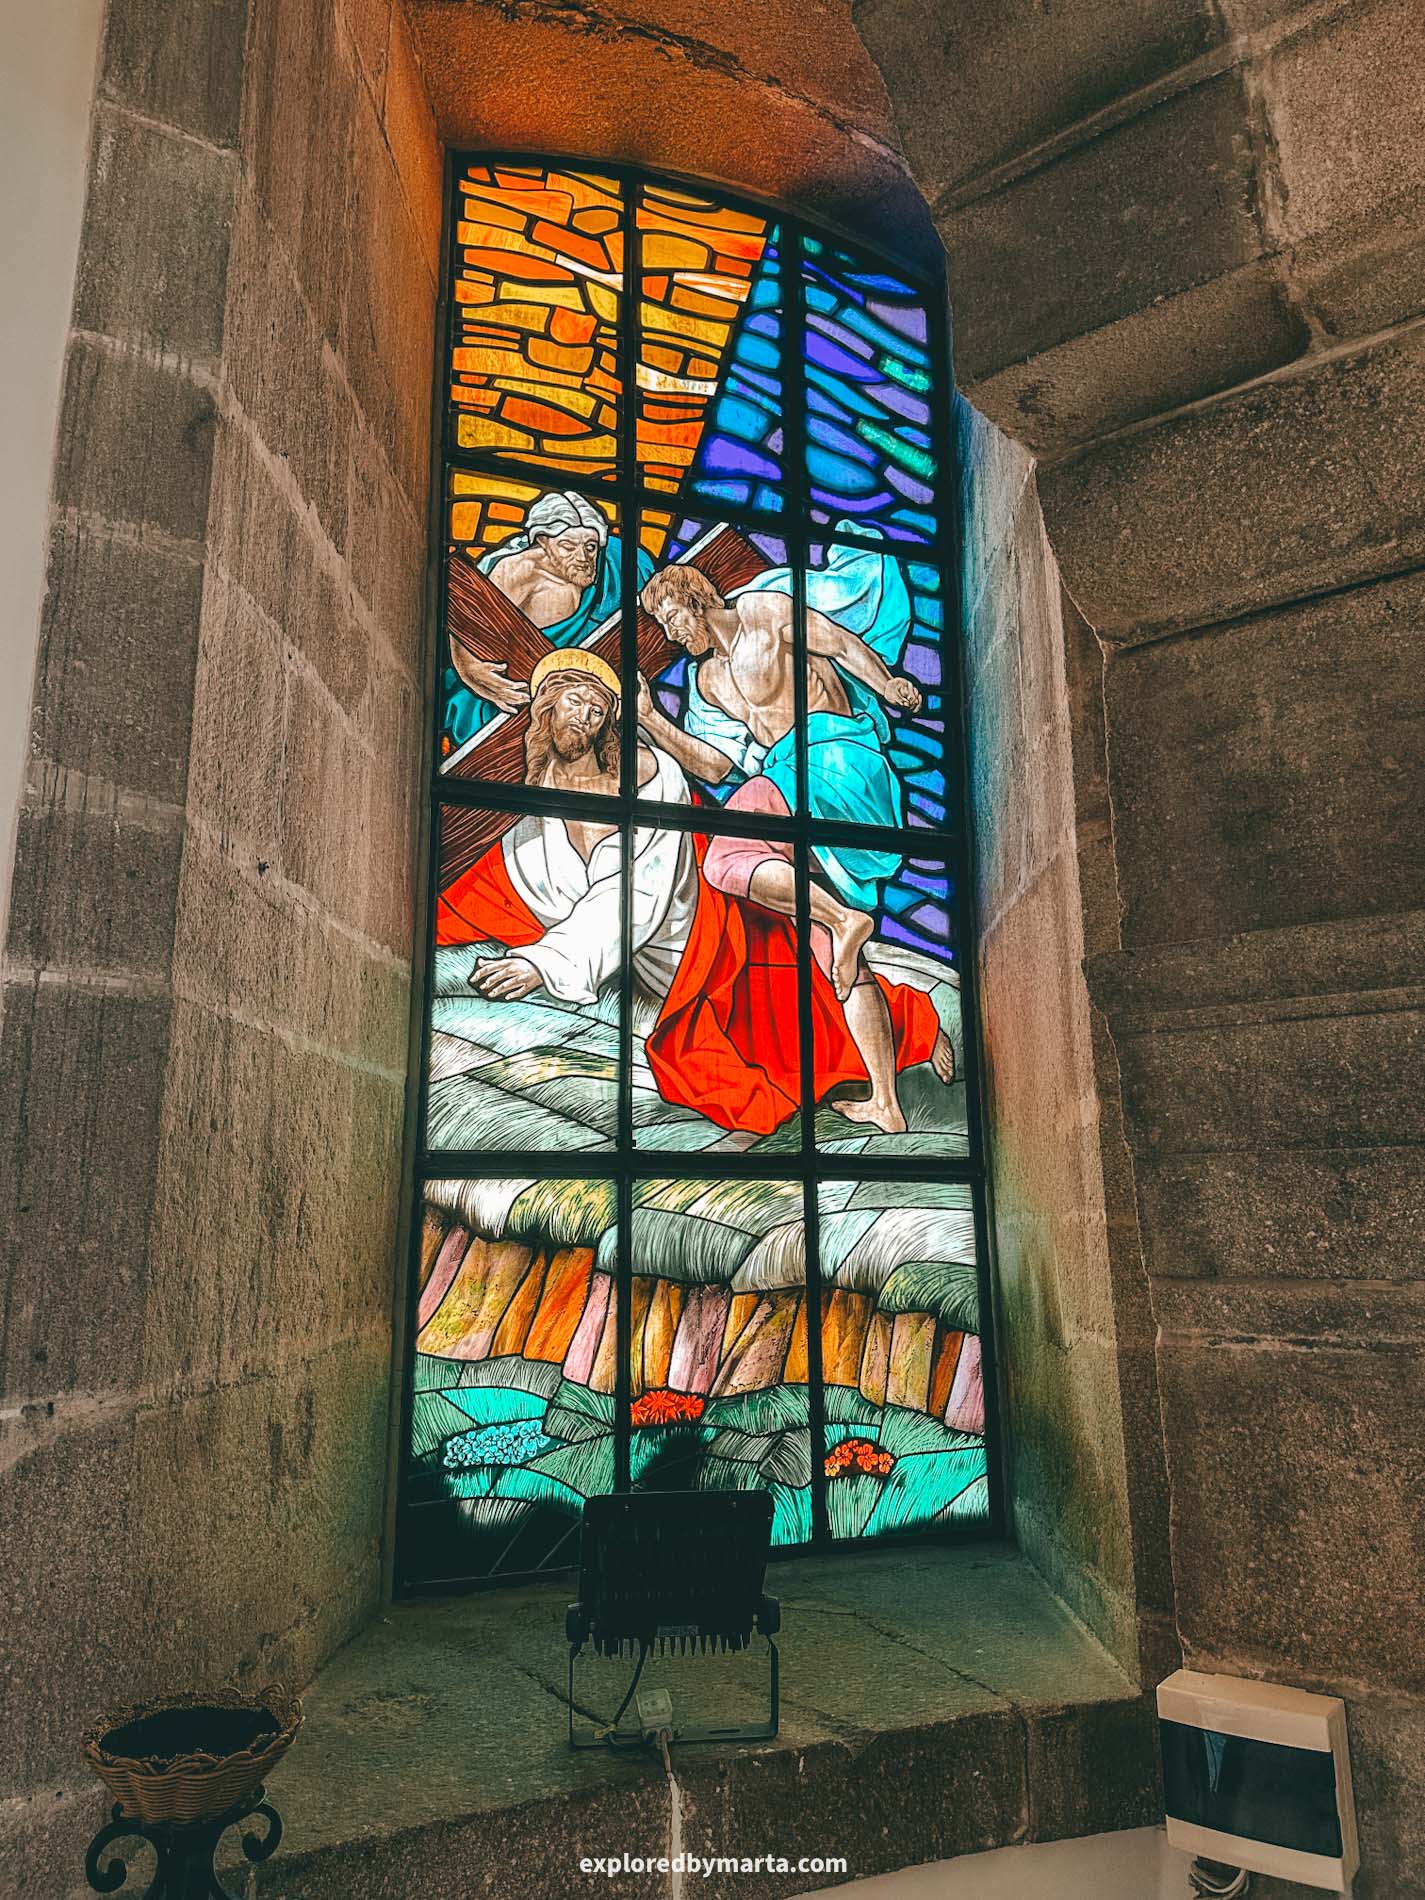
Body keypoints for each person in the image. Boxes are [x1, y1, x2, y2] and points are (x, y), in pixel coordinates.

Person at [635, 553, 952, 1132]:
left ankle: (844, 920)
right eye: (662, 627)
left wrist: (887, 683)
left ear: (696, 597)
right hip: (793, 786)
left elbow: (841, 645)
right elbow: (716, 767)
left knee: (724, 854)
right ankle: (886, 1104)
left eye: (672, 618)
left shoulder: (764, 611)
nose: (672, 635)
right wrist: (652, 720)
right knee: (833, 957)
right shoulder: (706, 683)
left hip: (836, 757)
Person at [437, 651, 696, 1007]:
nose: (584, 717)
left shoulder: (653, 776)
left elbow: (641, 889)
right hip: (570, 952)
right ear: (548, 705)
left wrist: (544, 964)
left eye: (597, 710)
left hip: (671, 963)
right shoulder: (525, 795)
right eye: (574, 701)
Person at [444, 490, 654, 741]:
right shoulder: (518, 570)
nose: (583, 558)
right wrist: (469, 670)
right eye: (568, 546)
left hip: (582, 698)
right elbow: (466, 618)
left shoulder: (611, 567)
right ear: (543, 541)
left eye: (590, 547)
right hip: (509, 687)